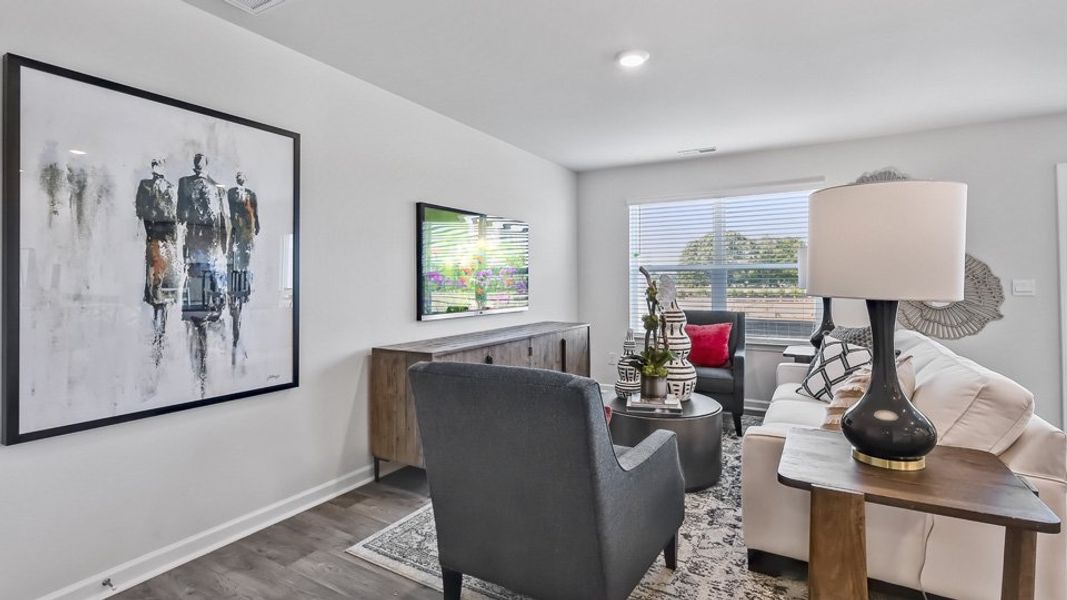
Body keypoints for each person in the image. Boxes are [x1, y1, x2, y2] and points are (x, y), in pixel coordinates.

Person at [177, 153, 229, 396]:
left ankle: (205, 369)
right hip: (195, 248)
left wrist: (223, 250)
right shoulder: (185, 183)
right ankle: (198, 370)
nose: (198, 166)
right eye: (196, 162)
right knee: (197, 312)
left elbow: (222, 220)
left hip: (211, 251)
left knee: (210, 307)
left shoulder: (217, 188)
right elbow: (180, 216)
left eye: (202, 162)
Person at [135, 158, 180, 366]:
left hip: (168, 242)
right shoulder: (145, 185)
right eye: (155, 163)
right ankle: (158, 335)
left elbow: (174, 216)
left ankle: (161, 336)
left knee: (165, 292)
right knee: (156, 289)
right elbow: (140, 210)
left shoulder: (170, 188)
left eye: (160, 163)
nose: (157, 166)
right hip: (154, 239)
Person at [227, 171, 260, 365]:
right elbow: (232, 212)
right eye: (238, 176)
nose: (240, 178)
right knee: (237, 271)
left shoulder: (251, 194)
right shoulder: (232, 192)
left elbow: (256, 215)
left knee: (244, 270)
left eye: (242, 176)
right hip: (237, 236)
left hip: (247, 237)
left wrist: (255, 226)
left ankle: (242, 295)